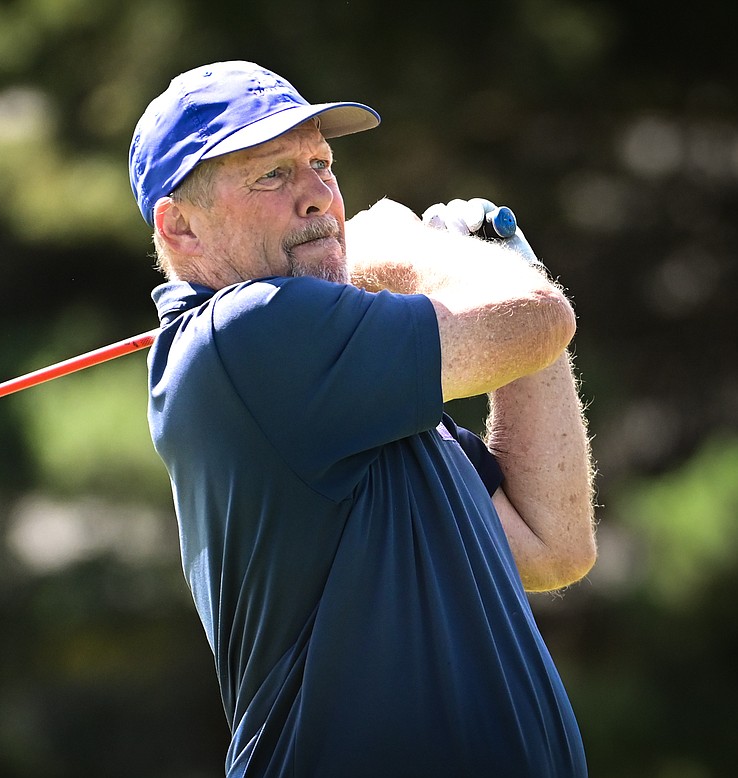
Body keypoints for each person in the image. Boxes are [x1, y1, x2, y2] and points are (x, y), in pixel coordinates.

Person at [128, 61, 597, 777]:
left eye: (321, 164)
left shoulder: (341, 372)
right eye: (272, 176)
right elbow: (538, 316)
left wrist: (500, 261)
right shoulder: (245, 336)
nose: (318, 197)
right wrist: (424, 256)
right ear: (181, 227)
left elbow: (552, 545)